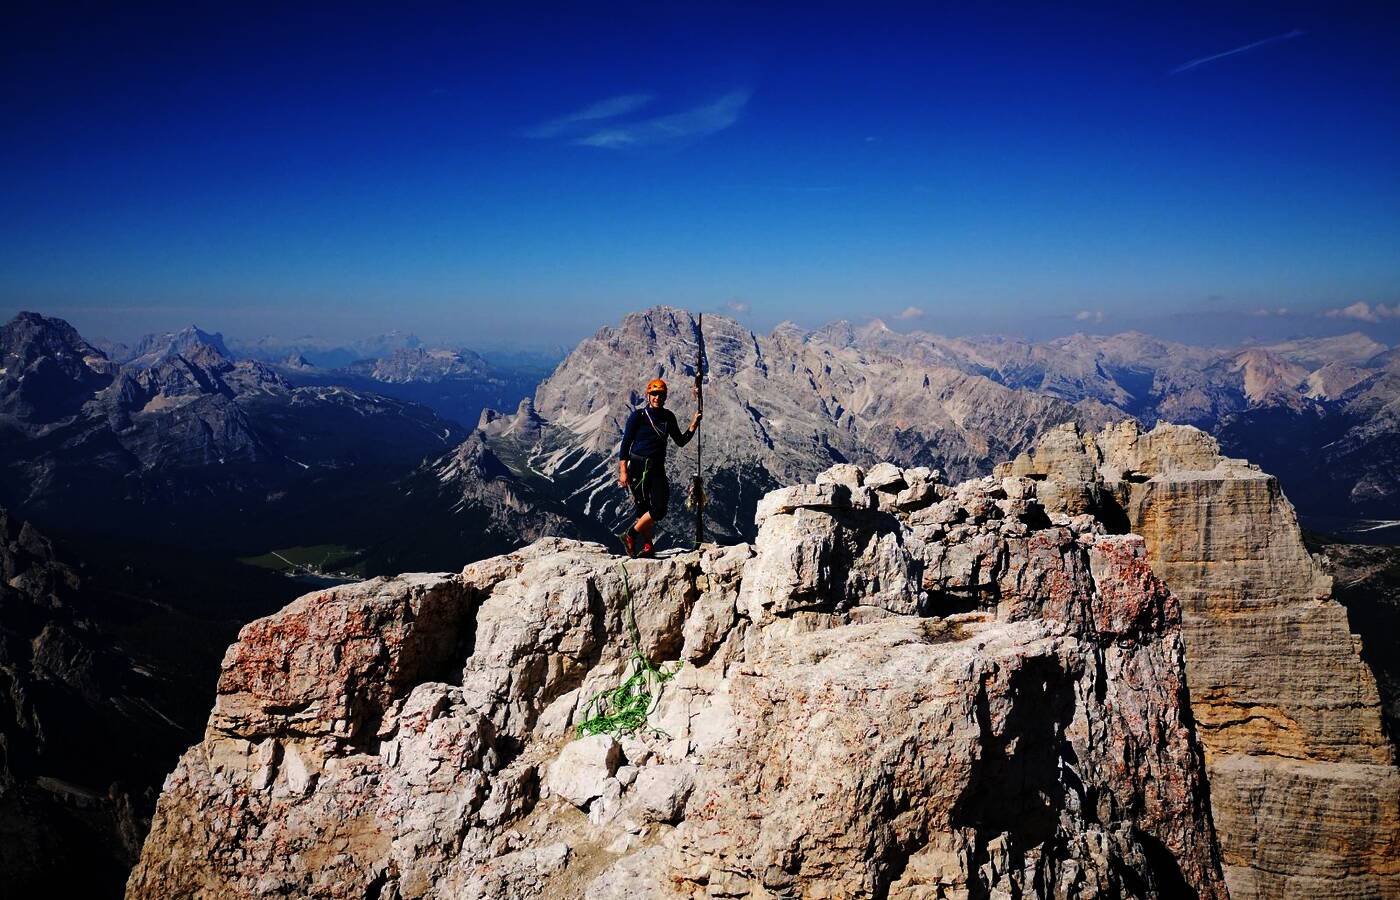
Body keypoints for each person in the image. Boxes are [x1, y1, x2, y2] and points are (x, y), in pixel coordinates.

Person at [618, 378, 701, 557]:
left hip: (656, 467)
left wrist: (693, 425)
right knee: (643, 509)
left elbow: (680, 441)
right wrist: (623, 471)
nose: (657, 397)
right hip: (637, 466)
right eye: (654, 394)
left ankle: (630, 535)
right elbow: (625, 444)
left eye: (660, 395)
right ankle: (648, 547)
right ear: (648, 396)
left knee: (659, 508)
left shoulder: (668, 417)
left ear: (665, 397)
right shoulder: (638, 416)